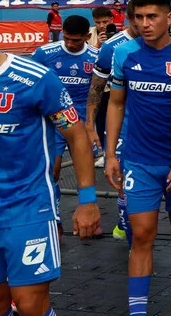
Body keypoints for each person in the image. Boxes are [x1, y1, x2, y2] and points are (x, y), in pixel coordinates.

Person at [0, 0, 101, 316]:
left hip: (27, 210)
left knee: (31, 304)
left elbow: (77, 135)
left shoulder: (33, 78)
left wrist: (87, 200)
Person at [104, 0, 171, 316]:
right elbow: (116, 103)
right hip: (139, 161)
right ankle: (138, 311)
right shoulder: (125, 54)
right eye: (138, 17)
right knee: (142, 234)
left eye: (152, 17)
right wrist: (110, 154)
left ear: (170, 17)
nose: (145, 24)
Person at [30, 15, 99, 234]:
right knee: (54, 170)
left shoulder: (97, 57)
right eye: (66, 39)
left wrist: (92, 125)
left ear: (87, 37)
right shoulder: (45, 53)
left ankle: (88, 215)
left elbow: (99, 94)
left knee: (85, 170)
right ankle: (56, 219)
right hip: (54, 122)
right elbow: (30, 85)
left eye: (76, 40)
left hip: (84, 122)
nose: (70, 44)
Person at [87, 1, 139, 244]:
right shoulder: (112, 47)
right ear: (129, 18)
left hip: (163, 126)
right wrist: (90, 125)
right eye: (139, 17)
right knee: (122, 181)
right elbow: (96, 88)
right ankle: (126, 228)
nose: (145, 23)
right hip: (125, 124)